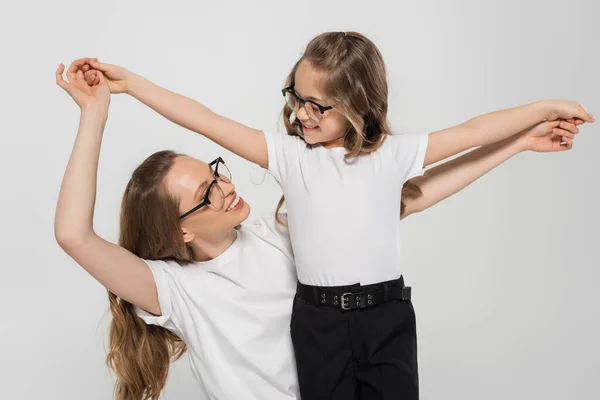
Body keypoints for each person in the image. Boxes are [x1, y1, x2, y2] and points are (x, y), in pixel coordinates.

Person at [66, 30, 591, 399]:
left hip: (379, 326)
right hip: (323, 331)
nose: (226, 186)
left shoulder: (276, 233)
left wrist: (527, 130)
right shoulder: (175, 288)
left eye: (216, 172)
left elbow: (425, 179)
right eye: (206, 193)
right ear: (177, 229)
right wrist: (115, 96)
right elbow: (203, 122)